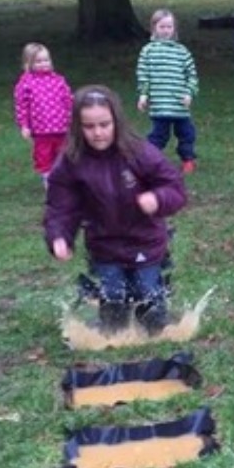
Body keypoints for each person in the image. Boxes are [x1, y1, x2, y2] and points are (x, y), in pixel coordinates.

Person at [44, 86, 188, 334]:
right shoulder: (71, 161)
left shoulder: (139, 152)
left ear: (116, 122)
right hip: (104, 244)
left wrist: (157, 198)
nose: (98, 133)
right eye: (89, 127)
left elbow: (175, 188)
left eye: (104, 124)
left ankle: (156, 329)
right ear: (78, 127)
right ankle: (115, 332)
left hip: (145, 240)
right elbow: (61, 206)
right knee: (113, 298)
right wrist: (59, 236)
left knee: (149, 295)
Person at [136, 9, 199, 173]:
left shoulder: (182, 52)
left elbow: (192, 76)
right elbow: (143, 75)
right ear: (154, 28)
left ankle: (188, 160)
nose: (165, 30)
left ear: (174, 29)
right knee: (158, 135)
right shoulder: (147, 51)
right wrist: (143, 95)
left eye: (169, 27)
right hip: (160, 105)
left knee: (186, 133)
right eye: (162, 26)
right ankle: (148, 160)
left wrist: (189, 93)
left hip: (179, 105)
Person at [13, 43, 73, 180]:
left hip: (62, 127)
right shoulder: (25, 83)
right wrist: (24, 125)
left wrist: (75, 115)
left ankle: (64, 180)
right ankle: (48, 180)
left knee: (64, 155)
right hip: (41, 130)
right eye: (38, 61)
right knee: (44, 156)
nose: (43, 64)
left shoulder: (58, 80)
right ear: (28, 63)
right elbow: (21, 106)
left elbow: (68, 99)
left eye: (46, 60)